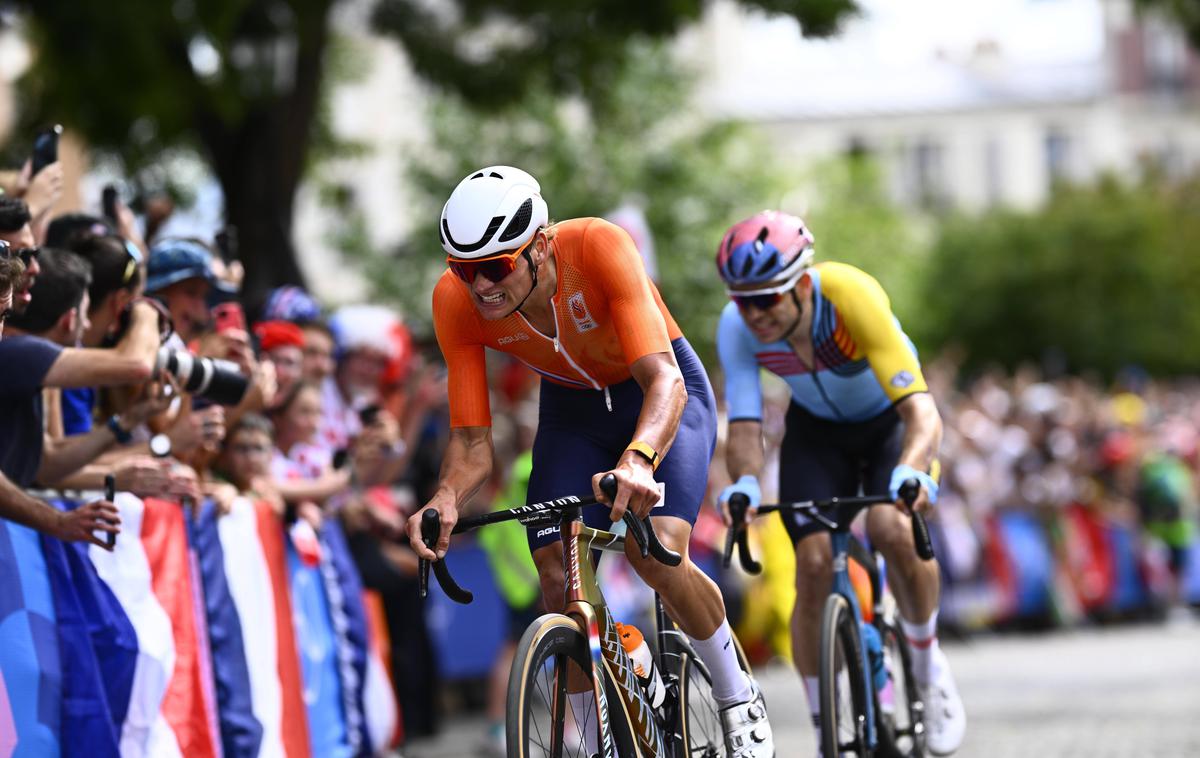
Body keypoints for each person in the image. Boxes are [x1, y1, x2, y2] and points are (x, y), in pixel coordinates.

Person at [407, 166, 774, 756]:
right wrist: (445, 498)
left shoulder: (598, 245)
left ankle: (736, 694)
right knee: (556, 569)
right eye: (463, 270)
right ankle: (594, 734)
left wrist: (638, 459)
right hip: (572, 413)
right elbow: (472, 442)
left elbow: (665, 382)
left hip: (655, 391)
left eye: (496, 267)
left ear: (541, 246)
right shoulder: (456, 304)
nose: (479, 287)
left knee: (653, 549)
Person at [713, 211, 965, 755]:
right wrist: (746, 485)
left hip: (888, 427)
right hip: (816, 436)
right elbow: (747, 425)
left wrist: (913, 467)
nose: (753, 314)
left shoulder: (849, 294)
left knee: (891, 529)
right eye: (742, 300)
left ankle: (925, 666)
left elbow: (922, 412)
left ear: (801, 284)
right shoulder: (737, 328)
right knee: (810, 563)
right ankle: (825, 720)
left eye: (767, 299)